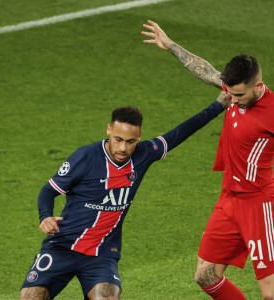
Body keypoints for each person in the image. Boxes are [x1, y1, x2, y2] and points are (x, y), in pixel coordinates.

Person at [19, 92, 228, 299]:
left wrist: (219, 104)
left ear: (139, 136)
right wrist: (45, 216)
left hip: (101, 255)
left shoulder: (144, 154)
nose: (122, 148)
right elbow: (48, 190)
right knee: (31, 297)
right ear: (109, 130)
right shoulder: (84, 157)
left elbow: (181, 131)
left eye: (130, 141)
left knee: (108, 297)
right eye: (118, 139)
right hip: (63, 246)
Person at [142, 20, 274, 300]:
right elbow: (205, 71)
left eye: (238, 95)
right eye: (230, 92)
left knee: (270, 293)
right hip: (228, 201)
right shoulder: (233, 91)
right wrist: (170, 45)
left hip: (258, 205)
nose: (232, 100)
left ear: (257, 86)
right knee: (205, 276)